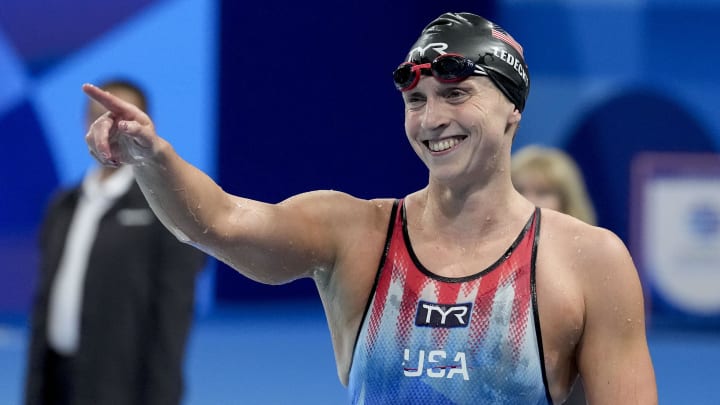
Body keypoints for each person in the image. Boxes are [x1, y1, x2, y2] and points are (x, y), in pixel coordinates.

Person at [82, 12, 657, 404]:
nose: (432, 119)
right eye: (416, 100)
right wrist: (152, 158)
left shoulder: (589, 261)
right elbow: (221, 222)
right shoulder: (354, 233)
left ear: (513, 109)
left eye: (456, 95)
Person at [25, 79, 206, 405]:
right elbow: (45, 303)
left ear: (146, 127)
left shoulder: (167, 210)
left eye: (121, 121)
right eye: (98, 118)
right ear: (85, 126)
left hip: (121, 388)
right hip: (55, 380)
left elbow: (173, 319)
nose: (109, 131)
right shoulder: (63, 205)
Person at [511, 145, 597, 404]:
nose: (529, 200)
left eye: (543, 192)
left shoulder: (595, 263)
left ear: (566, 200)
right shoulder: (479, 262)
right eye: (520, 190)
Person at [512, 145, 597, 225]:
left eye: (541, 192)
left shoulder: (591, 240)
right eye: (519, 191)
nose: (527, 201)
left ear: (566, 202)